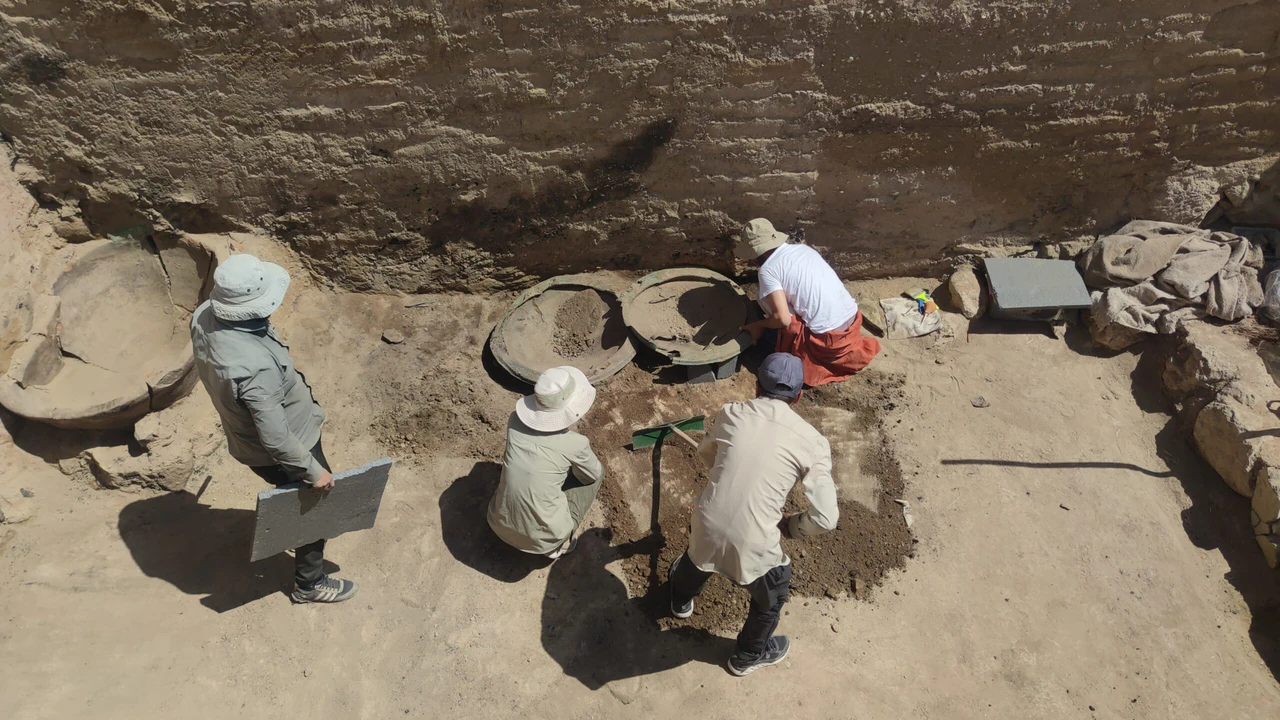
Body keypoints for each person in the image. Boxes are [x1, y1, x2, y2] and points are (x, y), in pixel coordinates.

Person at [190, 254, 357, 605]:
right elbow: (277, 438)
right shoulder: (254, 369)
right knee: (313, 508)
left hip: (246, 439)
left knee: (301, 498)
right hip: (291, 446)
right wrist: (313, 473)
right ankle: (309, 584)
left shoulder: (204, 314)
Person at [668, 352, 839, 677]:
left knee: (699, 554)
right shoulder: (813, 443)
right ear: (799, 395)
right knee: (772, 594)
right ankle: (747, 656)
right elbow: (826, 518)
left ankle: (679, 601)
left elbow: (708, 455)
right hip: (754, 542)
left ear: (757, 386)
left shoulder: (731, 413)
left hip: (706, 518)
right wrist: (792, 525)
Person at [736, 218, 880, 387]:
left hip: (826, 340)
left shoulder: (768, 270)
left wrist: (759, 325)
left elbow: (783, 319)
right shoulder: (803, 249)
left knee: (765, 299)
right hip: (853, 319)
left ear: (754, 254)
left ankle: (787, 345)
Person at [487, 366, 604, 559]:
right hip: (543, 541)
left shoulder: (514, 420)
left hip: (499, 521)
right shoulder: (575, 443)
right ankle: (560, 543)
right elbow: (591, 475)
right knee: (598, 473)